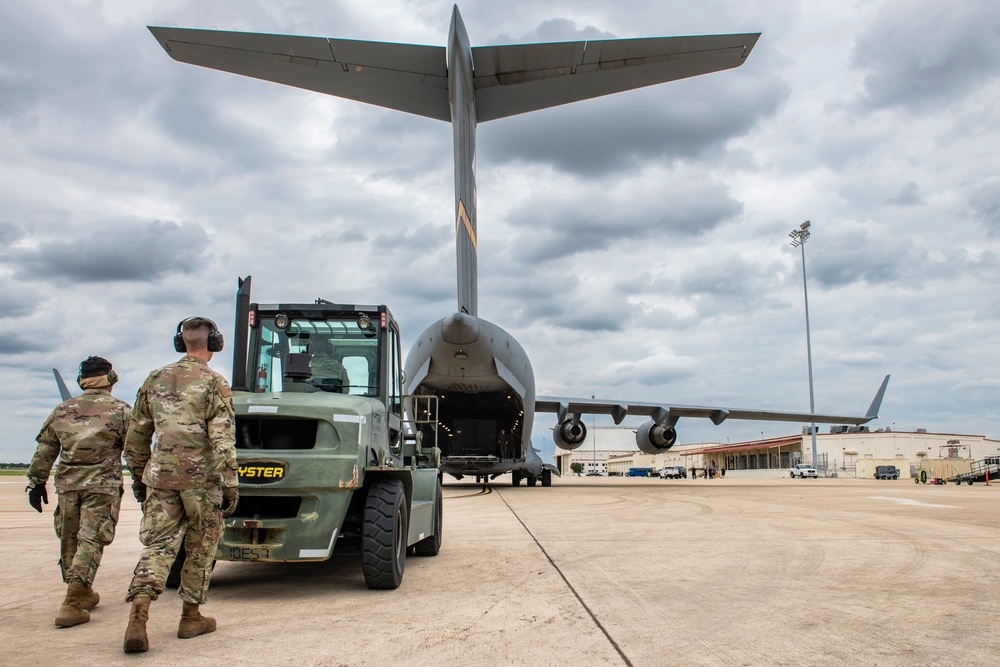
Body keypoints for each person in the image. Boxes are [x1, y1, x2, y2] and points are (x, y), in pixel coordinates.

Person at [122, 317, 239, 653]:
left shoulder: (153, 379)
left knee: (158, 548)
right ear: (214, 344)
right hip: (202, 482)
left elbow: (136, 439)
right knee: (200, 548)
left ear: (181, 343)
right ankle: (190, 618)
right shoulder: (214, 383)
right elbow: (221, 438)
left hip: (162, 478)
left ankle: (138, 618)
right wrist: (230, 481)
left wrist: (142, 479)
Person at [26, 356, 131, 628]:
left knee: (70, 539)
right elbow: (135, 451)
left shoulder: (62, 410)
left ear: (81, 381)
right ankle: (72, 602)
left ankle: (82, 592)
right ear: (111, 379)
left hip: (68, 486)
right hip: (102, 486)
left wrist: (36, 483)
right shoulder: (121, 410)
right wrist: (144, 482)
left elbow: (46, 450)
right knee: (91, 540)